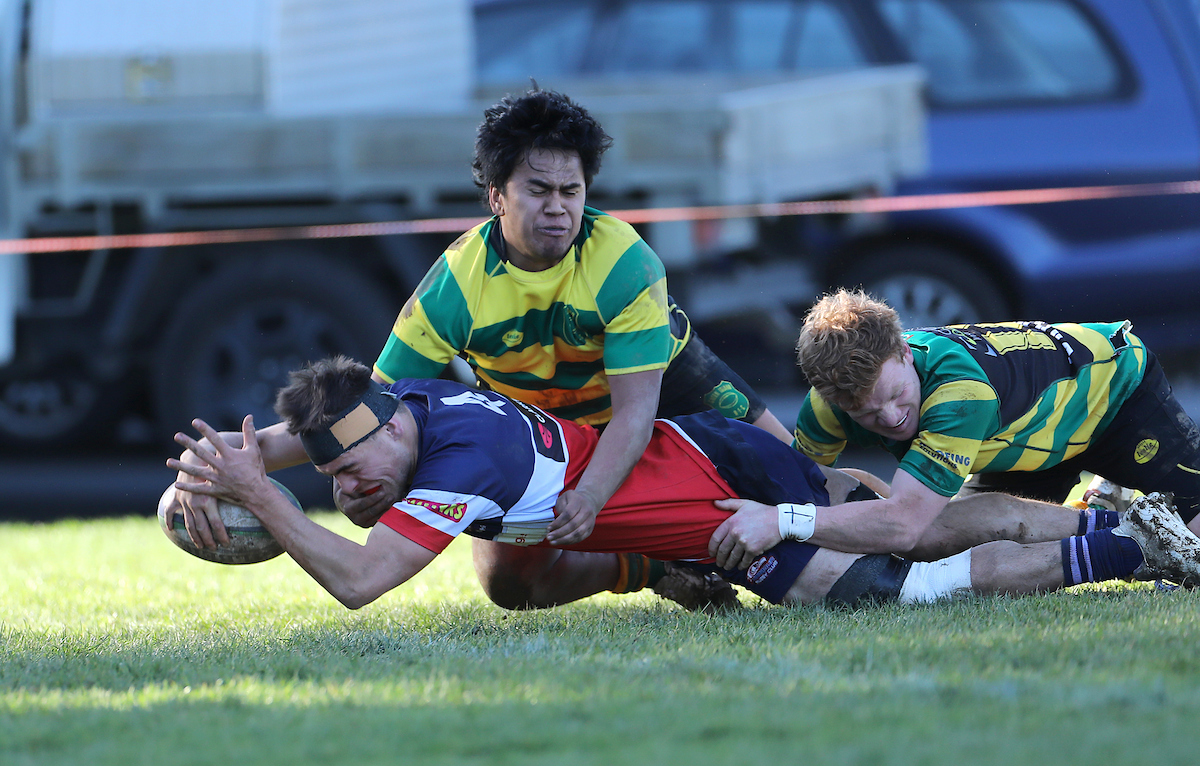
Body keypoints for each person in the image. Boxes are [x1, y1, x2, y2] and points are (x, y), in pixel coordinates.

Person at [165, 357, 1200, 613]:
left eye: (359, 470)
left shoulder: (460, 464)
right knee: (899, 523)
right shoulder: (417, 404)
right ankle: (1107, 514)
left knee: (907, 577)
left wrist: (263, 502)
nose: (353, 489)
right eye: (335, 475)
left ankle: (1125, 546)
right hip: (701, 453)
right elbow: (337, 439)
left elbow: (358, 581)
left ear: (399, 425)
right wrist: (250, 462)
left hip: (712, 498)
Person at [335, 86, 803, 607]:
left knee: (802, 478)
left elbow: (635, 413)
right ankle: (651, 569)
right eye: (538, 190)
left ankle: (894, 543)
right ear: (496, 195)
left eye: (570, 191)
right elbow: (371, 407)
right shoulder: (457, 284)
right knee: (511, 587)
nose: (557, 208)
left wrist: (592, 496)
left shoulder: (624, 259)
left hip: (662, 389)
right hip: (545, 430)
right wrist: (289, 458)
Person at [707, 288, 1200, 577]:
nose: (892, 418)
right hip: (1022, 445)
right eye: (867, 414)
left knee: (1193, 541)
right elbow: (804, 483)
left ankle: (1120, 507)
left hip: (1114, 394)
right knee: (969, 546)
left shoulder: (959, 393)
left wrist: (783, 521)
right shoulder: (829, 404)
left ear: (903, 351)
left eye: (897, 396)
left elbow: (903, 524)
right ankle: (1106, 510)